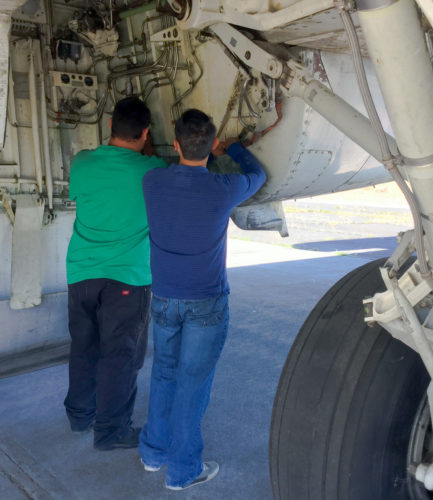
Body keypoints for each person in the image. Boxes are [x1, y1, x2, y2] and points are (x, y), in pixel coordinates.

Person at [139, 109, 267, 490]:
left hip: (163, 297)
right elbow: (258, 176)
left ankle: (153, 454)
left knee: (163, 373)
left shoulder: (152, 181)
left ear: (176, 144)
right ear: (212, 147)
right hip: (205, 303)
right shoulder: (223, 187)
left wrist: (205, 151)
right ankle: (182, 471)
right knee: (192, 385)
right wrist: (237, 148)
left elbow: (168, 168)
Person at [64, 96, 167, 451]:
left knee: (83, 347)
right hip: (127, 279)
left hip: (81, 274)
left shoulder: (82, 163)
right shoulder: (153, 171)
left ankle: (80, 416)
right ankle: (111, 431)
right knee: (120, 356)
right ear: (145, 133)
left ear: (109, 126)